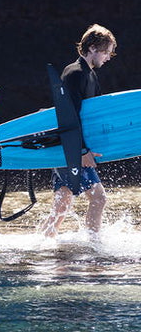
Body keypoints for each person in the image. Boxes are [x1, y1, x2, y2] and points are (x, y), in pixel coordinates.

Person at [40, 24, 117, 239]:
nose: (108, 57)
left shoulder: (89, 75)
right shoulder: (75, 73)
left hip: (70, 146)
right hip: (71, 148)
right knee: (98, 199)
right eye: (106, 51)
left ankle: (42, 243)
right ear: (92, 48)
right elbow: (69, 117)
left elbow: (91, 117)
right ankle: (93, 245)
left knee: (62, 204)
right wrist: (81, 150)